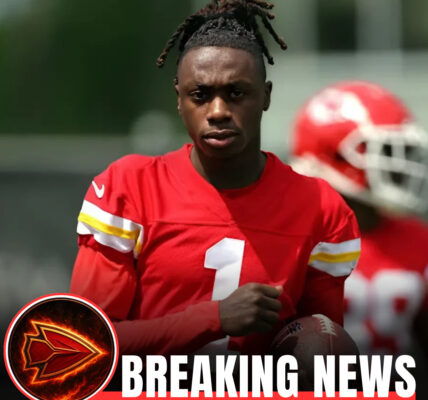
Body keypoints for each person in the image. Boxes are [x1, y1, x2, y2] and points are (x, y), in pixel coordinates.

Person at [70, 1, 360, 360]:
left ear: (265, 96)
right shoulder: (130, 188)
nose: (218, 111)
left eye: (236, 93)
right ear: (179, 99)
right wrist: (213, 318)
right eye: (201, 95)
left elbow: (323, 347)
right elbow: (82, 347)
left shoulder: (320, 207)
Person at [289, 80, 428, 360]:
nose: (399, 164)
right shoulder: (289, 241)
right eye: (384, 151)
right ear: (334, 155)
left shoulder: (419, 239)